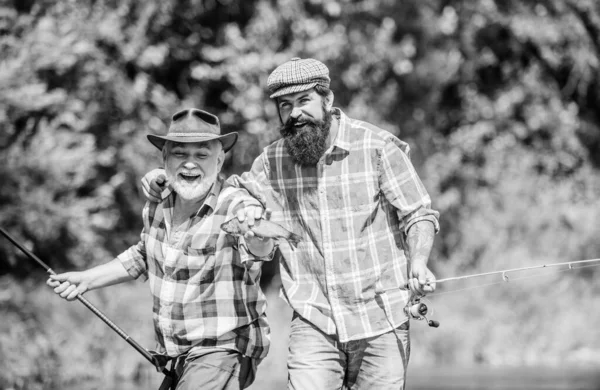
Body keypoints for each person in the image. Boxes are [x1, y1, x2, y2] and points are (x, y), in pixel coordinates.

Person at [143, 58, 440, 389]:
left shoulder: (377, 147)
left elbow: (419, 214)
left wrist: (419, 260)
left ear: (327, 100)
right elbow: (227, 190)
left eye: (304, 101)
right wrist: (169, 178)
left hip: (382, 318)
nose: (295, 113)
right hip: (313, 320)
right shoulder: (272, 161)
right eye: (285, 106)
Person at [47, 108, 276, 390]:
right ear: (165, 159)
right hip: (178, 357)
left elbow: (259, 248)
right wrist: (86, 280)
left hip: (223, 350)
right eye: (180, 154)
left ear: (219, 161)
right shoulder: (158, 203)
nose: (190, 164)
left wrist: (258, 233)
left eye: (202, 155)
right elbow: (143, 255)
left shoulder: (234, 204)